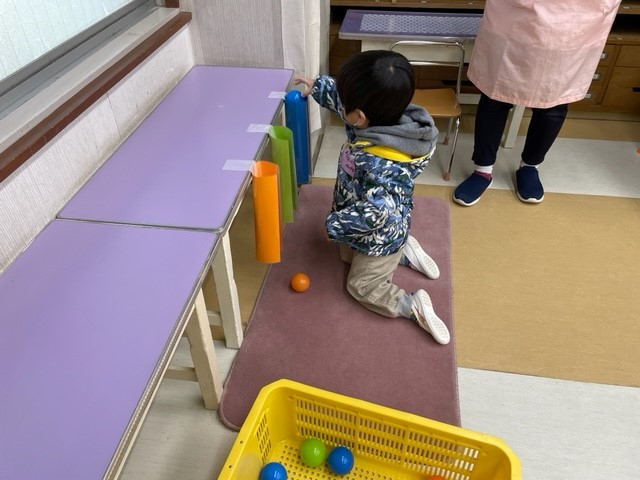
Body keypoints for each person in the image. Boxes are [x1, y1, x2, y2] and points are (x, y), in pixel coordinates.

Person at [296, 50, 450, 345]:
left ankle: (410, 305)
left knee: (360, 285)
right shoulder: (383, 117)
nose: (341, 102)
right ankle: (405, 252)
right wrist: (319, 86)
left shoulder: (382, 164)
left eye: (345, 99)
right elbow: (343, 101)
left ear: (359, 116)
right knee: (345, 254)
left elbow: (378, 213)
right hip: (365, 212)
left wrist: (334, 225)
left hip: (381, 233)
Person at [453, 0, 622, 206]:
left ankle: (530, 166)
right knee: (495, 95)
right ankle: (482, 170)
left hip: (575, 20)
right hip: (514, 16)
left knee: (553, 105)